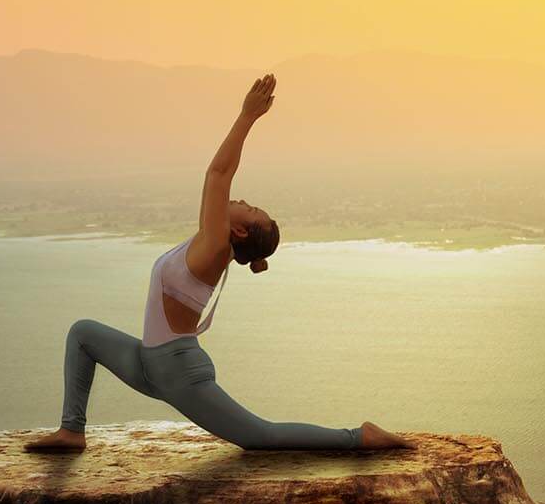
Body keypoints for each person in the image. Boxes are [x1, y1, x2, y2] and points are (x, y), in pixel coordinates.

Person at [27, 72, 410, 453]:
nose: (242, 200)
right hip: (148, 363)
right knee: (83, 334)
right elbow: (215, 189)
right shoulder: (209, 242)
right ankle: (72, 431)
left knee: (260, 437)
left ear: (240, 232)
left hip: (177, 371)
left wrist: (247, 116)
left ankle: (359, 437)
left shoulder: (213, 247)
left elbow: (218, 174)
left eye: (251, 209)